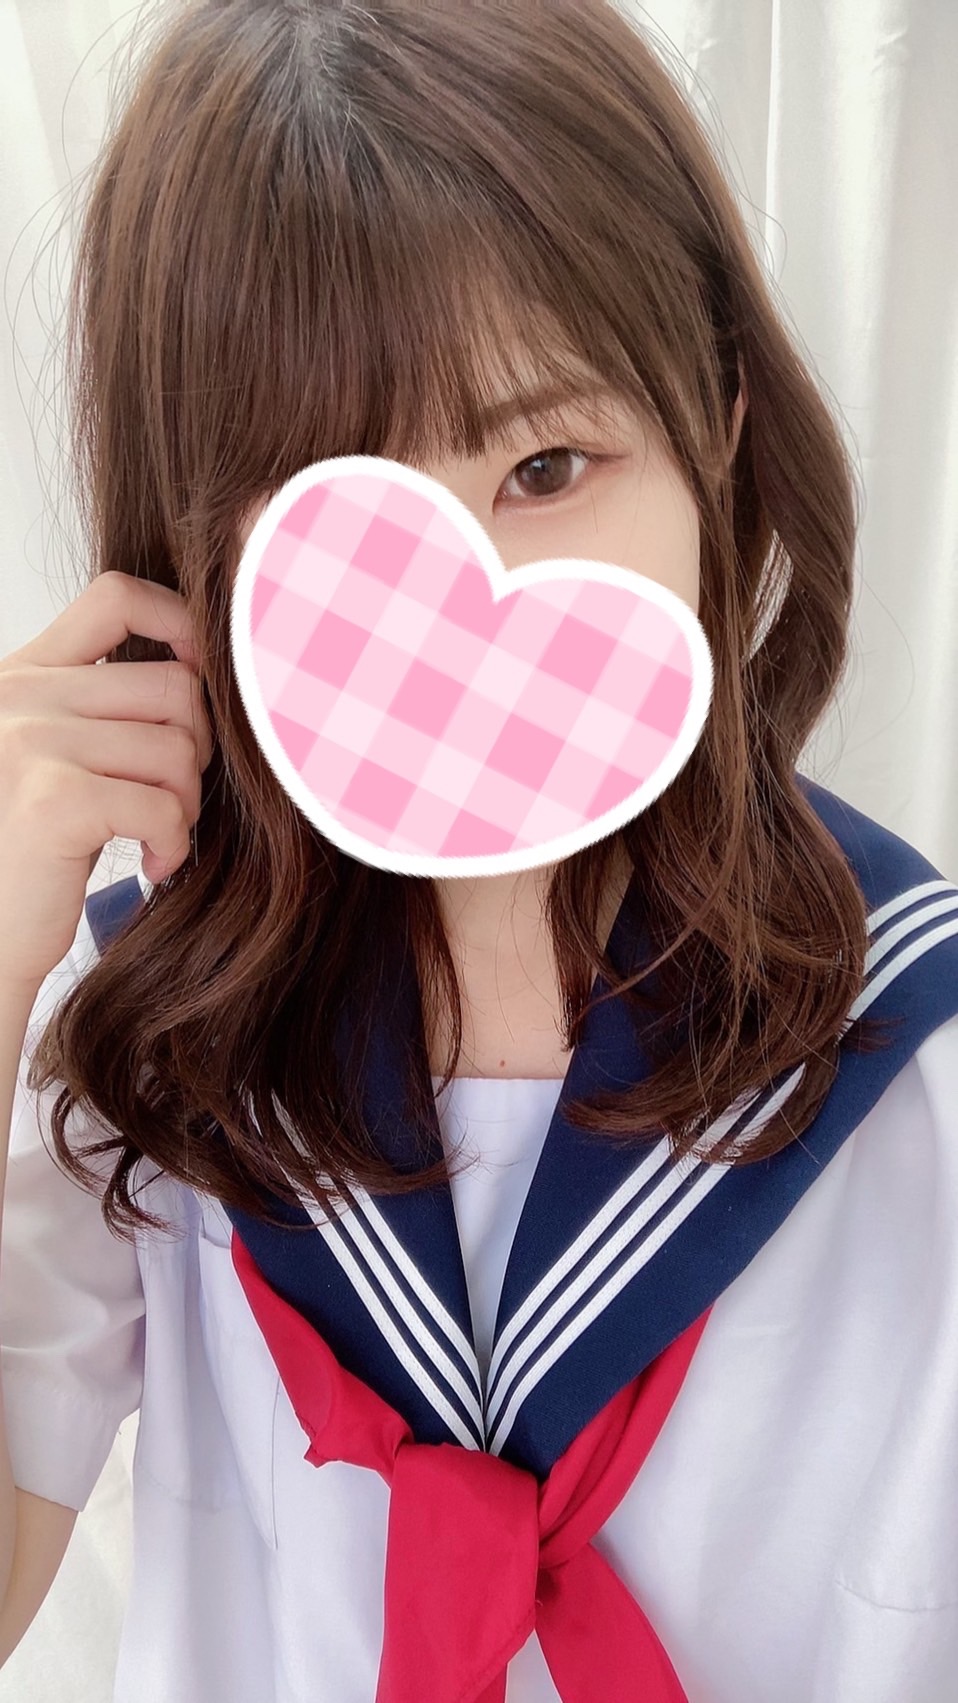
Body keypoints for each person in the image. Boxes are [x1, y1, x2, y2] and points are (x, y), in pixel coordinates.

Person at [1, 2, 957, 1699]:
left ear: (718, 425)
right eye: (334, 512)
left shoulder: (917, 1050)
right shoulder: (145, 1043)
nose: (464, 620)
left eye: (546, 464)